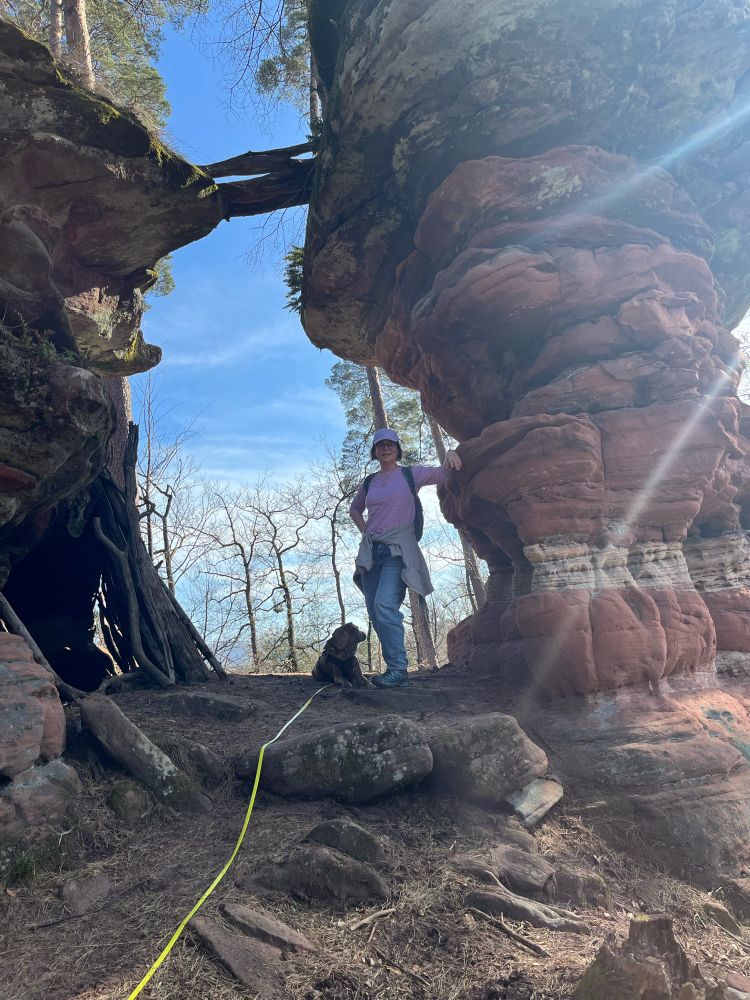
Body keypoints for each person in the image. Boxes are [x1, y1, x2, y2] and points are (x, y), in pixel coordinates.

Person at [350, 427, 462, 688]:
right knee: (374, 612)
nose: (385, 449)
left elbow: (446, 473)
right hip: (372, 552)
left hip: (398, 550)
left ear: (397, 448)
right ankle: (394, 669)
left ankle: (398, 669)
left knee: (384, 605)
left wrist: (451, 451)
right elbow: (355, 508)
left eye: (390, 444)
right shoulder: (370, 482)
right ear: (375, 451)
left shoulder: (411, 474)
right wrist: (365, 530)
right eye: (380, 446)